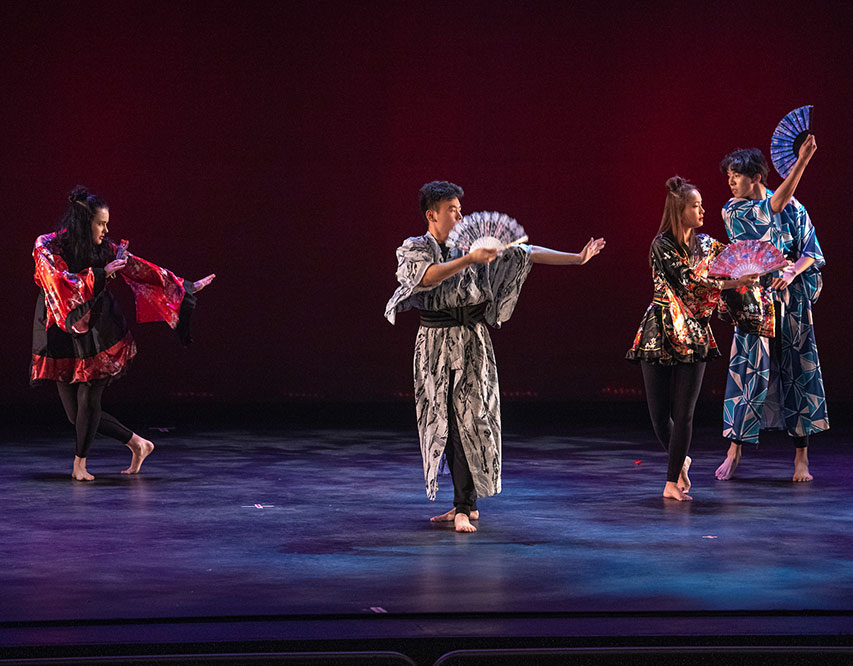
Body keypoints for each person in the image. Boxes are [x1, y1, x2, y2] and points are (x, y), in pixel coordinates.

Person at [385, 180, 605, 532]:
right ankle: (463, 504)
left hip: (472, 339)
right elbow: (425, 278)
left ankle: (463, 506)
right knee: (444, 420)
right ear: (432, 215)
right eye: (452, 210)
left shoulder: (473, 248)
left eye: (460, 209)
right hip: (435, 342)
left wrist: (577, 259)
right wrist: (468, 258)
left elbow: (526, 252)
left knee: (471, 419)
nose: (459, 215)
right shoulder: (415, 248)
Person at [31, 186, 215, 481]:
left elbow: (141, 268)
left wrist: (185, 286)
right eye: (101, 223)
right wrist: (102, 274)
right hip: (63, 330)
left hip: (100, 330)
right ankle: (139, 444)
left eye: (106, 224)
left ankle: (80, 464)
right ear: (84, 222)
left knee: (89, 400)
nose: (106, 230)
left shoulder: (104, 250)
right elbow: (59, 281)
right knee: (73, 414)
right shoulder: (47, 246)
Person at [626, 176, 757, 501]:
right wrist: (731, 283)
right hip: (660, 329)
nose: (702, 210)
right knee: (659, 415)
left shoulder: (708, 245)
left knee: (684, 412)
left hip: (695, 332)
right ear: (679, 210)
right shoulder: (662, 244)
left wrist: (757, 271)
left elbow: (737, 258)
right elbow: (688, 283)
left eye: (700, 205)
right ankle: (679, 458)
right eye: (695, 205)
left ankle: (672, 481)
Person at [714, 137, 827, 483]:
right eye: (729, 177)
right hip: (754, 300)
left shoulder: (796, 208)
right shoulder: (734, 210)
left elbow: (812, 251)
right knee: (748, 370)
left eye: (737, 176)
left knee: (797, 370)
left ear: (757, 176)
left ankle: (801, 458)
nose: (731, 182)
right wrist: (802, 163)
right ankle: (734, 451)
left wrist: (793, 270)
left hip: (790, 299)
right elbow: (771, 210)